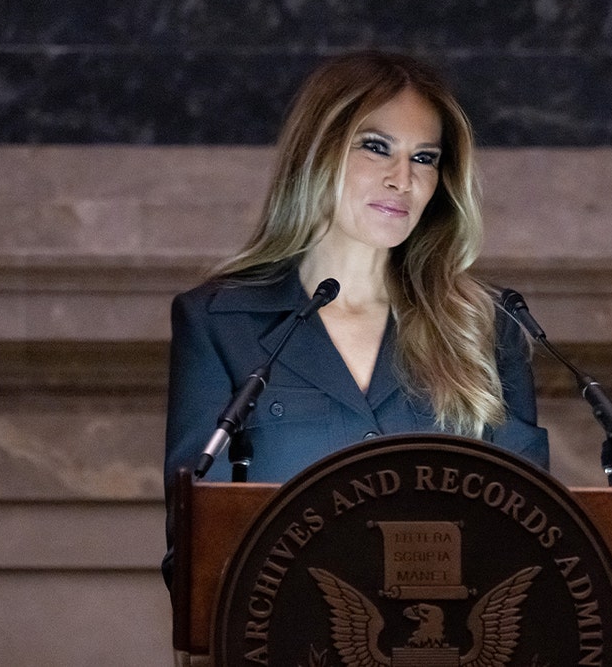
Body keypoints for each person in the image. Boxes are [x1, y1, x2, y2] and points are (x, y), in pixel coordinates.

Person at [162, 51, 548, 586]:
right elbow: (196, 548)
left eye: (425, 158)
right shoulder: (218, 322)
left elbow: (534, 535)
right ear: (316, 152)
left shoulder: (485, 326)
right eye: (376, 147)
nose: (402, 179)